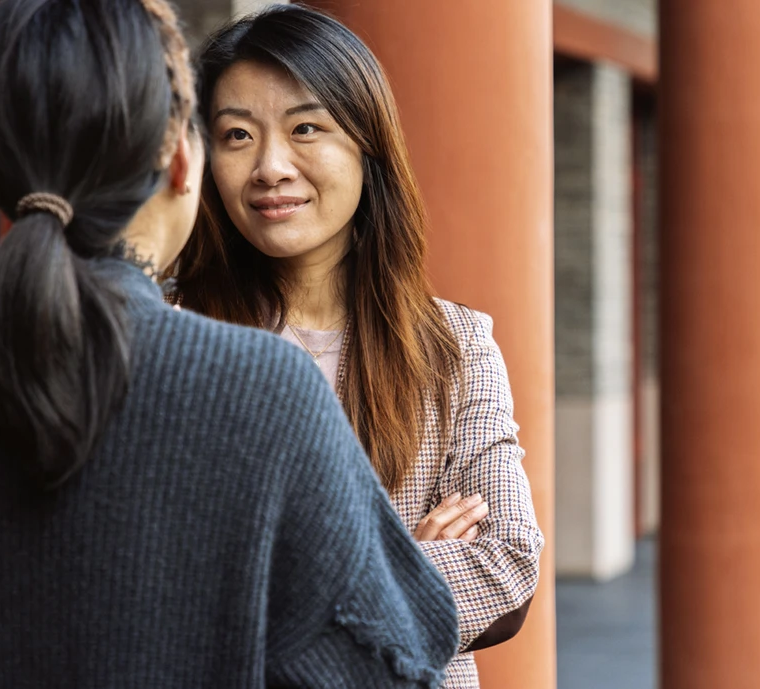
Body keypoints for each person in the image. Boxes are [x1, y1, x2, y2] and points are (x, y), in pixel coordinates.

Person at [0, 0, 458, 686]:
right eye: (234, 134)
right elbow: (394, 662)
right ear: (184, 156)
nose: (271, 166)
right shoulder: (261, 390)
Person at [171, 6, 543, 686]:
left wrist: (279, 590)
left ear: (368, 144)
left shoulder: (454, 346)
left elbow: (509, 567)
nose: (270, 167)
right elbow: (164, 586)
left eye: (306, 128)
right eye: (236, 135)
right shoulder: (171, 339)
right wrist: (398, 563)